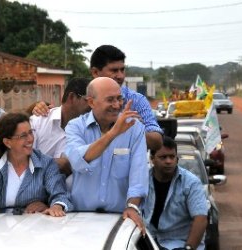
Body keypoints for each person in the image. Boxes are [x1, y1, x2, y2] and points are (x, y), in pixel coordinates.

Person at [32, 45, 163, 151]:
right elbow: (64, 114)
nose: (120, 76)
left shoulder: (136, 100)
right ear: (95, 72)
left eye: (122, 70)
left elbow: (157, 142)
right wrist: (38, 107)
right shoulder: (84, 97)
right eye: (114, 70)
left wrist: (129, 128)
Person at [65, 77, 148, 234]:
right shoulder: (75, 127)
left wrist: (132, 206)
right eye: (110, 100)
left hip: (121, 221)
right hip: (79, 219)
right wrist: (114, 133)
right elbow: (78, 161)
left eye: (119, 99)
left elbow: (139, 174)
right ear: (91, 102)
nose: (117, 105)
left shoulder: (134, 128)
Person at [0, 112, 73, 219]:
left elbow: (60, 194)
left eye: (30, 132)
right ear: (7, 142)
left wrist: (56, 206)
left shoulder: (46, 163)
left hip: (36, 226)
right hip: (0, 229)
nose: (30, 139)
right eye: (23, 135)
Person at [144, 136, 208, 250]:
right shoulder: (142, 180)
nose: (168, 161)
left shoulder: (191, 183)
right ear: (152, 159)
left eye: (172, 157)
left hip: (180, 244)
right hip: (148, 241)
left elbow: (201, 219)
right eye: (163, 157)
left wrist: (188, 248)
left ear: (177, 159)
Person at [30, 77, 91, 176]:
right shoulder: (38, 121)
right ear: (72, 97)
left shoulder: (92, 130)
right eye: (88, 100)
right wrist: (56, 164)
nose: (92, 106)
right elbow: (22, 159)